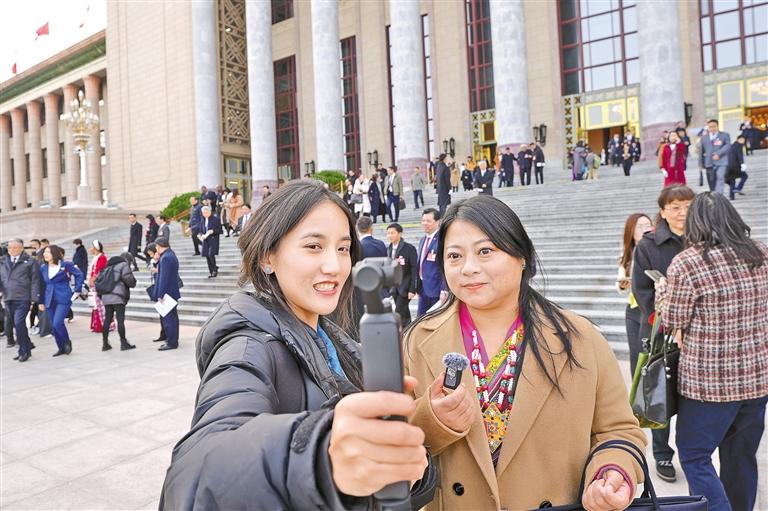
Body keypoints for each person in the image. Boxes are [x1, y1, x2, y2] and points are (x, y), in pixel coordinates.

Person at [159, 180, 436, 509]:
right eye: (314, 246)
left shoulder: (333, 338)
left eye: (343, 249)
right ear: (267, 258)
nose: (334, 266)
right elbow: (194, 474)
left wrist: (409, 465)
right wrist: (320, 460)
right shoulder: (248, 345)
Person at [404, 195, 646, 509]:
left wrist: (611, 472)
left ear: (522, 256)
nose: (468, 268)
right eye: (454, 256)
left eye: (485, 251)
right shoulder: (417, 341)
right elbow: (390, 443)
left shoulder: (580, 338)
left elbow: (619, 431)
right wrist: (433, 421)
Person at [655, 193, 768, 511]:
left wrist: (662, 292)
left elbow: (673, 320)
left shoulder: (688, 262)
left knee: (694, 454)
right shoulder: (760, 253)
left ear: (696, 222)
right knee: (741, 456)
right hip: (757, 380)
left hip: (709, 386)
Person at [632, 184, 695, 482]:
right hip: (661, 331)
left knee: (692, 397)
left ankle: (692, 452)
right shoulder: (648, 245)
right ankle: (662, 454)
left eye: (687, 206)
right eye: (675, 207)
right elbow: (642, 290)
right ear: (663, 211)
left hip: (697, 333)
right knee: (661, 393)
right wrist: (666, 321)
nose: (682, 213)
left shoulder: (703, 238)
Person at [617, 213, 653, 373]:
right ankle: (635, 387)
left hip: (649, 308)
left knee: (647, 353)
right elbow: (620, 285)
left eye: (647, 225)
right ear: (631, 231)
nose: (644, 229)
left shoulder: (655, 250)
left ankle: (649, 386)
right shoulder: (627, 254)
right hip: (633, 309)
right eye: (639, 227)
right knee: (635, 354)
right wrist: (623, 285)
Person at [40, 245, 84, 357]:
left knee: (57, 322)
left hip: (63, 297)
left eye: (48, 252)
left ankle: (67, 342)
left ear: (54, 253)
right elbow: (41, 285)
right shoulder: (43, 268)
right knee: (54, 326)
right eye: (44, 252)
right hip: (49, 299)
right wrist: (40, 301)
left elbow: (79, 275)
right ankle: (61, 348)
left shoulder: (66, 265)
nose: (45, 254)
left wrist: (77, 290)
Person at [0, 239, 40, 362]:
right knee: (17, 325)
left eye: (15, 248)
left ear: (21, 248)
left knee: (19, 323)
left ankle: (23, 351)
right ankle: (27, 346)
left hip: (23, 298)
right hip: (8, 297)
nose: (11, 250)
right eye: (9, 248)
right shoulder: (3, 261)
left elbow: (35, 280)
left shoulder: (30, 261)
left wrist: (34, 298)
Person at [99, 252, 137, 351]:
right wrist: (133, 282)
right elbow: (128, 279)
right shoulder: (123, 265)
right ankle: (123, 343)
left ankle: (105, 344)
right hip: (118, 296)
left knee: (107, 319)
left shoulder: (108, 266)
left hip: (106, 296)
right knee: (120, 320)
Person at [386, 223, 418, 327]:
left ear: (400, 234)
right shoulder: (389, 249)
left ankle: (398, 331)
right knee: (405, 313)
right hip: (394, 288)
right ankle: (408, 329)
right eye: (388, 233)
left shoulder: (409, 248)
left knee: (398, 311)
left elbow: (414, 269)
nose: (390, 235)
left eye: (392, 233)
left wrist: (412, 289)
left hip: (405, 286)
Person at [153, 237, 180, 351]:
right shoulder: (169, 255)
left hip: (167, 293)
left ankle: (171, 342)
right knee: (172, 318)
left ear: (159, 246)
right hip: (171, 292)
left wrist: (161, 294)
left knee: (169, 319)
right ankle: (172, 340)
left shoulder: (166, 258)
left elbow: (163, 278)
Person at [416, 208, 444, 317]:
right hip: (423, 288)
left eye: (428, 221)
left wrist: (444, 289)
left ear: (437, 222)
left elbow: (445, 267)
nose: (425, 223)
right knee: (421, 319)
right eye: (423, 220)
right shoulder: (423, 240)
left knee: (435, 320)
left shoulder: (442, 240)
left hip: (436, 290)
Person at [700, 118, 731, 194]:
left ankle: (719, 195)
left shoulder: (724, 135)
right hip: (709, 162)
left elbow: (728, 146)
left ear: (718, 126)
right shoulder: (704, 138)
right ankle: (714, 195)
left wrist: (719, 154)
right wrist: (701, 164)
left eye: (714, 126)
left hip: (721, 161)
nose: (712, 128)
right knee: (711, 181)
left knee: (720, 177)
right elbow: (701, 151)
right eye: (710, 127)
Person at [88, 240, 111, 334]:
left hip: (99, 284)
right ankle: (96, 325)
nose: (90, 249)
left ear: (96, 248)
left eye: (91, 247)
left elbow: (99, 271)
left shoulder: (102, 257)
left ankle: (101, 325)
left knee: (99, 304)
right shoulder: (96, 257)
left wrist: (92, 280)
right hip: (94, 284)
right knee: (95, 304)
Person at [145, 243, 166, 344]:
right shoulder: (154, 261)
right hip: (157, 287)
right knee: (161, 314)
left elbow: (163, 273)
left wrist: (156, 269)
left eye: (151, 254)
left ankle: (167, 335)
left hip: (163, 290)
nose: (151, 256)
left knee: (165, 315)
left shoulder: (163, 259)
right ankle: (163, 334)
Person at [199, 206, 222, 278]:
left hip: (213, 239)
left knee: (211, 254)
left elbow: (220, 230)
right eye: (203, 213)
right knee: (207, 255)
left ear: (210, 212)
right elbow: (201, 230)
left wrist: (213, 231)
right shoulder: (203, 220)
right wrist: (201, 235)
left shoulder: (216, 219)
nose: (205, 214)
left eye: (206, 212)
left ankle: (214, 270)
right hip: (205, 240)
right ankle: (211, 271)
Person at [725, 133, 748, 200]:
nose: (743, 141)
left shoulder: (732, 146)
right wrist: (742, 163)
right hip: (735, 166)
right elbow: (739, 155)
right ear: (738, 139)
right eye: (742, 140)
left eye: (743, 140)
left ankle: (732, 197)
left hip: (728, 166)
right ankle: (738, 188)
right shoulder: (738, 145)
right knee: (745, 176)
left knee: (732, 181)